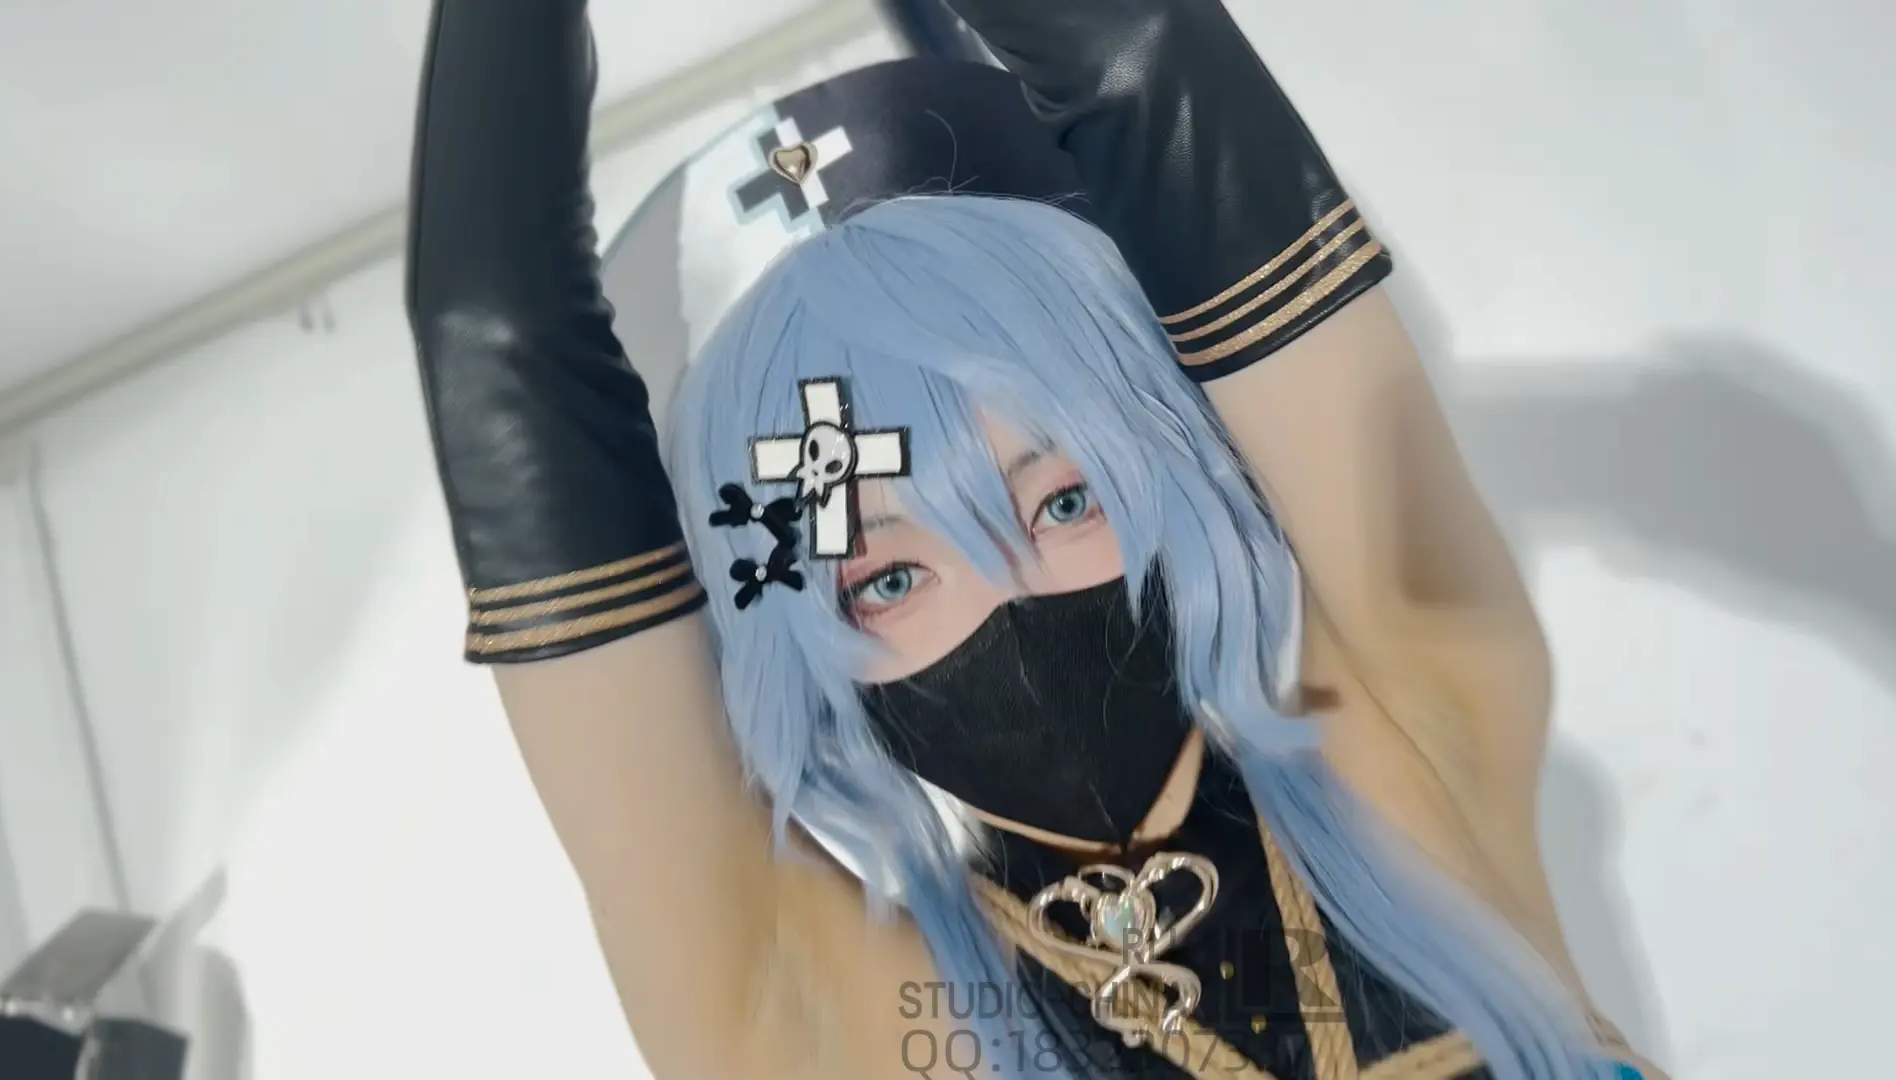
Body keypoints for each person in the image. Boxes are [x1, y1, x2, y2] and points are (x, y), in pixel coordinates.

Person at [404, 0, 1663, 1077]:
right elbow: (493, 328)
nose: (1006, 596)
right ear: (802, 645)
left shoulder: (1418, 755)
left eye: (1061, 501)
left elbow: (1144, 56)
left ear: (1161, 471)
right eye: (890, 576)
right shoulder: (840, 1013)